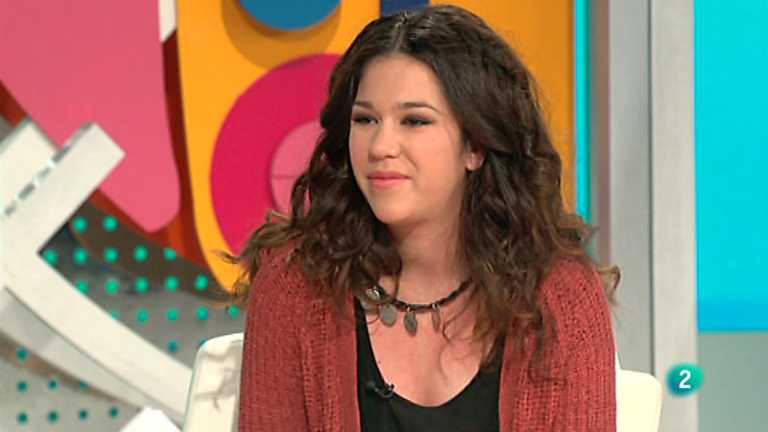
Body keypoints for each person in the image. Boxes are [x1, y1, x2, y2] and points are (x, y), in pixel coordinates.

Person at [229, 5, 619, 431]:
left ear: (476, 146)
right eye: (365, 119)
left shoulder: (560, 296)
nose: (381, 146)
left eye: (414, 121)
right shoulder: (297, 284)